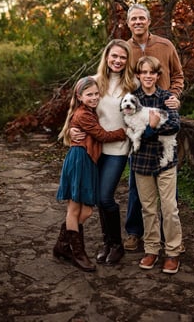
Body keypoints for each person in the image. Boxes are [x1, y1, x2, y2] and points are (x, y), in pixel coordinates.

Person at [70, 40, 137, 265]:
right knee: (97, 198)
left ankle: (117, 245)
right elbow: (78, 108)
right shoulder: (95, 82)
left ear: (127, 60)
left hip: (117, 150)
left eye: (122, 57)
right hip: (94, 149)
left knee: (105, 196)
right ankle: (107, 243)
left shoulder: (132, 84)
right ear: (107, 57)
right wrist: (71, 129)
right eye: (114, 56)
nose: (117, 61)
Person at [124, 3, 184, 251]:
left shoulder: (165, 45)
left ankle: (169, 238)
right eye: (133, 19)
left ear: (149, 21)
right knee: (137, 183)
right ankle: (135, 232)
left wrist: (175, 96)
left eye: (142, 18)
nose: (138, 22)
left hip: (162, 111)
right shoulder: (125, 49)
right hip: (136, 115)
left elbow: (178, 75)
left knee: (168, 182)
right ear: (128, 23)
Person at [53, 76, 127, 272]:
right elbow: (102, 135)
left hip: (88, 161)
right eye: (89, 95)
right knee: (74, 210)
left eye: (96, 94)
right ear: (79, 96)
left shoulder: (89, 111)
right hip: (79, 160)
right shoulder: (83, 115)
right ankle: (78, 253)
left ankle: (63, 244)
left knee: (86, 211)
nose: (94, 97)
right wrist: (125, 131)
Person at [131, 56, 182, 274]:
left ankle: (172, 252)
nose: (148, 76)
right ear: (138, 75)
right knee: (148, 209)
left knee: (169, 209)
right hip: (142, 162)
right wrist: (151, 128)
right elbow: (133, 132)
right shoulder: (132, 100)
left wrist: (149, 129)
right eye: (144, 72)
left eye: (152, 73)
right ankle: (151, 249)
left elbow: (173, 126)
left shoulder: (167, 97)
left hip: (165, 161)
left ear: (158, 76)